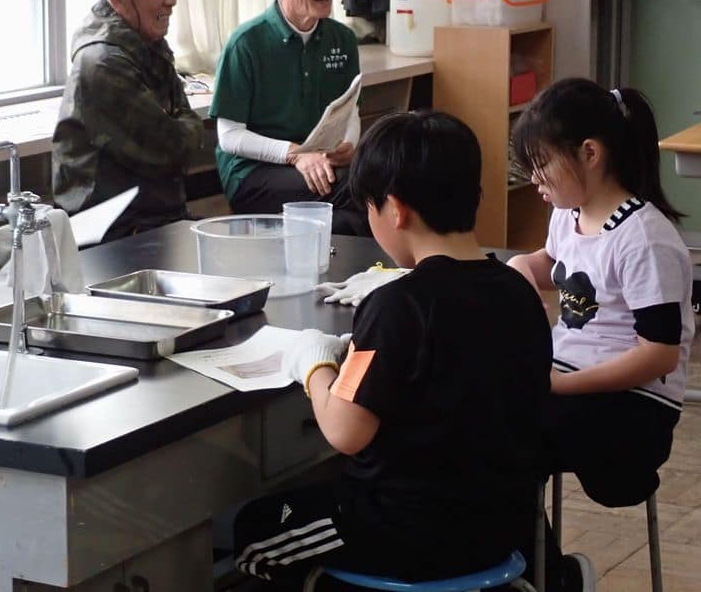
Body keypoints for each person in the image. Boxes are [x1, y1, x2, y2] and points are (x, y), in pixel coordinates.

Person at [233, 111, 555, 590]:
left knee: (254, 530)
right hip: (503, 526)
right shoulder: (519, 292)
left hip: (406, 535)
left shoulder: (397, 305)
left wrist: (315, 364)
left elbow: (344, 431)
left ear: (396, 210)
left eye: (369, 207)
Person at [507, 79, 695, 584]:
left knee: (501, 435)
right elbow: (553, 265)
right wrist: (522, 267)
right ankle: (538, 573)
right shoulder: (568, 215)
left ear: (589, 153)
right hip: (574, 385)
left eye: (542, 164)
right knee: (486, 422)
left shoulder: (644, 239)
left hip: (634, 411)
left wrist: (558, 384)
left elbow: (659, 355)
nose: (534, 179)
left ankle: (550, 579)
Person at [210, 0, 365, 235]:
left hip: (321, 162)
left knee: (362, 202)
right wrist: (294, 154)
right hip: (254, 173)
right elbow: (229, 136)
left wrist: (348, 144)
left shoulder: (342, 38)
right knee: (358, 189)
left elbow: (351, 111)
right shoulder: (246, 43)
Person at [51, 0, 204, 242]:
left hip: (156, 216)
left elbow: (183, 124)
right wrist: (187, 128)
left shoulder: (147, 41)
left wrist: (185, 127)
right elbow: (171, 149)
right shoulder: (103, 63)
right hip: (115, 231)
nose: (171, 0)